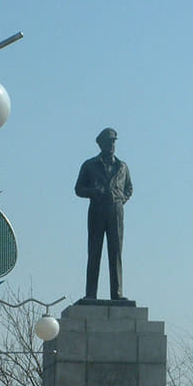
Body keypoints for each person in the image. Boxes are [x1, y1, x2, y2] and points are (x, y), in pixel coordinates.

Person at [74, 127, 133, 300]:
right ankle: (90, 294)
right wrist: (93, 192)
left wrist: (121, 199)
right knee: (94, 252)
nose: (112, 144)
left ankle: (117, 293)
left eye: (114, 141)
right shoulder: (89, 165)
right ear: (101, 144)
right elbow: (78, 189)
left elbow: (129, 187)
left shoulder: (122, 166)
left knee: (115, 252)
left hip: (116, 210)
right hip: (97, 210)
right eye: (109, 141)